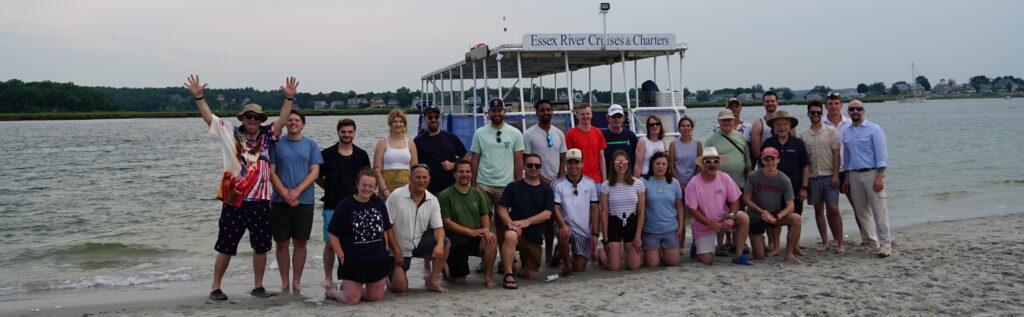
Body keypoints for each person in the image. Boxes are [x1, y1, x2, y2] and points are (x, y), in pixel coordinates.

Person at [186, 74, 296, 300]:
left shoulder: (268, 136)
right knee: (225, 246)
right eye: (249, 116)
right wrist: (199, 97)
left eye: (256, 116)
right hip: (234, 200)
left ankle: (259, 286)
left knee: (261, 246)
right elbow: (209, 118)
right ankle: (215, 287)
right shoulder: (230, 133)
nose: (252, 119)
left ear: (261, 119)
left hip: (261, 202)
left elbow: (284, 120)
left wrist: (288, 99)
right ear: (243, 118)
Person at [325, 169, 401, 305]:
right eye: (364, 185)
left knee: (376, 297)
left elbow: (385, 228)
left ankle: (353, 289)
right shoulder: (345, 205)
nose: (366, 189)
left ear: (375, 187)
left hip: (377, 259)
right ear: (357, 184)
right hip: (353, 260)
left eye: (370, 186)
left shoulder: (379, 203)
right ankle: (334, 292)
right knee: (352, 300)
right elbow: (333, 235)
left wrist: (386, 248)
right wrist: (342, 257)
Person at [268, 109, 323, 294]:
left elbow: (315, 172)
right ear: (285, 124)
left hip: (305, 200)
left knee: (300, 242)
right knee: (281, 243)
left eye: (297, 120)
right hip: (279, 200)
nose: (293, 122)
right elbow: (271, 171)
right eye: (289, 120)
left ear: (303, 124)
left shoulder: (311, 145)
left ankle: (297, 281)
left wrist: (297, 191)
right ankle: (284, 281)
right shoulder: (276, 144)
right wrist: (284, 193)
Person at [317, 118, 371, 290]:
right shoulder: (327, 154)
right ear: (338, 132)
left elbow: (368, 179)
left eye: (350, 132)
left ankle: (350, 276)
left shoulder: (361, 154)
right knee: (330, 244)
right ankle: (328, 277)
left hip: (356, 204)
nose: (347, 135)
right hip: (332, 204)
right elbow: (316, 176)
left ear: (354, 133)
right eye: (343, 132)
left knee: (354, 242)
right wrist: (328, 187)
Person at [385, 164, 449, 293]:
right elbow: (387, 227)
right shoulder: (396, 196)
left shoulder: (433, 199)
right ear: (410, 178)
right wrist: (396, 251)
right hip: (398, 247)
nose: (421, 181)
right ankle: (386, 277)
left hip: (418, 242)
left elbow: (438, 228)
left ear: (429, 179)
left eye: (424, 177)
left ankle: (432, 281)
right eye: (417, 177)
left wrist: (440, 244)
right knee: (401, 288)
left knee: (446, 243)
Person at [841, 100, 892, 258]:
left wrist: (880, 177)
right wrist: (847, 179)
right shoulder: (846, 132)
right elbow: (848, 158)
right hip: (854, 175)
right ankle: (870, 243)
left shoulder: (874, 130)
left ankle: (885, 245)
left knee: (879, 210)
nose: (855, 111)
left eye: (858, 109)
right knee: (862, 211)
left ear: (864, 111)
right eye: (852, 109)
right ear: (848, 112)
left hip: (872, 173)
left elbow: (881, 156)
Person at [685, 147, 752, 266]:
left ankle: (739, 255)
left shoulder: (724, 177)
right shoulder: (693, 183)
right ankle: (696, 244)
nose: (712, 165)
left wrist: (731, 217)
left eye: (716, 161)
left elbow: (735, 200)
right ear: (702, 164)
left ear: (719, 163)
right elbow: (692, 210)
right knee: (707, 261)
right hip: (703, 224)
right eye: (708, 162)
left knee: (744, 218)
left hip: (722, 219)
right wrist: (711, 224)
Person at [496, 154, 554, 289]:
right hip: (517, 231)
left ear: (541, 168)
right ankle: (508, 274)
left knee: (532, 275)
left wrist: (528, 221)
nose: (533, 168)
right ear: (524, 166)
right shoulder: (513, 187)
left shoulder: (547, 190)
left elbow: (547, 214)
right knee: (510, 236)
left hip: (534, 237)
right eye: (530, 165)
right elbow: (502, 208)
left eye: (537, 166)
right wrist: (510, 223)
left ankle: (511, 264)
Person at [439, 160, 498, 287]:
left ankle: (488, 276)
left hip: (474, 238)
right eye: (461, 171)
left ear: (472, 174)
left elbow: (485, 216)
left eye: (468, 171)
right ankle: (444, 268)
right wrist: (469, 231)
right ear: (454, 174)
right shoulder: (445, 195)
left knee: (491, 239)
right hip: (456, 242)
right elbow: (446, 222)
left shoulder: (477, 194)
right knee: (459, 281)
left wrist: (486, 230)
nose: (464, 174)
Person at [522, 99, 566, 264]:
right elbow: (526, 160)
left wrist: (561, 179)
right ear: (537, 113)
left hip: (556, 184)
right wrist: (543, 179)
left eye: (548, 110)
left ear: (552, 112)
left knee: (554, 219)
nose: (546, 112)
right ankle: (537, 253)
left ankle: (550, 253)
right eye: (542, 110)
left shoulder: (559, 133)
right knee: (539, 219)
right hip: (537, 183)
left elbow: (563, 157)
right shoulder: (529, 134)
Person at [703, 109, 752, 255]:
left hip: (739, 182)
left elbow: (747, 159)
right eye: (724, 120)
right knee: (720, 213)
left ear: (734, 121)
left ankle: (739, 244)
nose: (727, 122)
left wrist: (750, 179)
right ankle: (721, 244)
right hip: (719, 185)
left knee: (739, 213)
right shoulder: (712, 139)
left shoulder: (740, 137)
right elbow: (706, 163)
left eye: (729, 120)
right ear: (719, 122)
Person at [799, 100, 844, 254]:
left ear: (822, 113)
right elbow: (803, 161)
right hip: (813, 178)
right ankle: (825, 242)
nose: (816, 115)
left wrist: (836, 175)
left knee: (834, 209)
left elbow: (836, 155)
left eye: (818, 112)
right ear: (808, 114)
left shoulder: (831, 131)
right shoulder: (803, 135)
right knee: (819, 210)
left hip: (830, 175)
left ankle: (840, 243)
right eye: (813, 113)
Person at [743, 147, 803, 265]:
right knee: (759, 256)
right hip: (756, 215)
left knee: (796, 218)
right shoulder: (753, 176)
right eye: (767, 160)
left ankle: (789, 253)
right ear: (762, 161)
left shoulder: (784, 179)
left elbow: (790, 206)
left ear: (778, 160)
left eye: (773, 159)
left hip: (774, 215)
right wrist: (762, 212)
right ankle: (760, 240)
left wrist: (777, 217)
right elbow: (746, 199)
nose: (770, 163)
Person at [551, 149, 599, 276]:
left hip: (583, 229)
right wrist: (563, 226)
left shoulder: (590, 184)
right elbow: (555, 209)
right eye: (570, 162)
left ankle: (560, 252)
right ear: (566, 164)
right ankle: (566, 267)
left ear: (582, 163)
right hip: (565, 224)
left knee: (580, 267)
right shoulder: (557, 184)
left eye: (576, 162)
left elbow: (594, 209)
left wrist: (595, 233)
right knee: (564, 234)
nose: (573, 166)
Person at [597, 150, 646, 271]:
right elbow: (603, 213)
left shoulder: (638, 184)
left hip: (631, 223)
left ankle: (625, 254)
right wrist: (606, 239)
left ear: (628, 163)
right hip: (614, 224)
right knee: (614, 267)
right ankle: (601, 255)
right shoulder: (605, 186)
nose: (621, 165)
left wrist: (638, 236)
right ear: (613, 164)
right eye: (618, 162)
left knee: (634, 266)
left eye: (624, 162)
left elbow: (641, 212)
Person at [823, 93, 861, 242]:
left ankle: (866, 236)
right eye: (830, 103)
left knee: (858, 206)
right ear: (826, 106)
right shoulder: (821, 123)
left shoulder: (850, 123)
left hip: (848, 170)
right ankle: (837, 240)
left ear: (841, 105)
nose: (833, 106)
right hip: (828, 170)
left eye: (836, 103)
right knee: (832, 209)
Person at [641, 152, 684, 267]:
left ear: (668, 166)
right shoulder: (643, 182)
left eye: (664, 164)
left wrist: (681, 226)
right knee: (652, 264)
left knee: (674, 263)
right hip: (650, 230)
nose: (661, 166)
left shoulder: (674, 183)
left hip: (670, 229)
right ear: (652, 165)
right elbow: (640, 208)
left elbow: (679, 206)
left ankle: (662, 251)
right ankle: (655, 252)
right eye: (657, 164)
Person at [414, 105, 468, 195]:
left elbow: (466, 158)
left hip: (450, 190)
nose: (433, 119)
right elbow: (414, 166)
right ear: (424, 119)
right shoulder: (418, 141)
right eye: (430, 117)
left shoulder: (451, 137)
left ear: (440, 118)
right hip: (428, 191)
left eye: (436, 116)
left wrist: (453, 165)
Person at [374, 108, 419, 199]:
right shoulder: (382, 143)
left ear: (404, 124)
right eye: (395, 121)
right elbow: (376, 169)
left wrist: (411, 189)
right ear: (390, 124)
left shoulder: (410, 143)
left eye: (401, 121)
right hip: (386, 190)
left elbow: (415, 169)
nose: (398, 124)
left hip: (407, 190)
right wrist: (385, 191)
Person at [565, 103, 607, 183]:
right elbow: (568, 159)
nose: (586, 116)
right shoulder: (570, 134)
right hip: (578, 181)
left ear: (591, 114)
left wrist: (604, 180)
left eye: (588, 114)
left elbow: (602, 158)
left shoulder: (598, 133)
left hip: (596, 180)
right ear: (577, 115)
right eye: (582, 114)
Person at [751, 91, 795, 160]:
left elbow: (794, 145)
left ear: (777, 102)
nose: (770, 103)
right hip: (766, 164)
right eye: (767, 101)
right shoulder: (758, 124)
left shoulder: (788, 123)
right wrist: (769, 164)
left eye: (772, 101)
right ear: (763, 103)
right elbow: (756, 151)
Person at [603, 104, 639, 178]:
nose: (617, 119)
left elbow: (637, 159)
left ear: (623, 118)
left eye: (619, 116)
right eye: (614, 116)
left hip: (628, 177)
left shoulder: (631, 135)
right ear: (608, 118)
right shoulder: (602, 136)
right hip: (608, 178)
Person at [669, 116, 702, 188]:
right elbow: (672, 166)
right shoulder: (673, 144)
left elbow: (699, 165)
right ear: (679, 129)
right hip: (677, 182)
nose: (686, 128)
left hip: (694, 182)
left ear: (692, 128)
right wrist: (679, 184)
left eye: (688, 126)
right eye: (683, 126)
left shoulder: (698, 144)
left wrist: (694, 181)